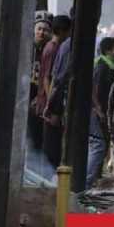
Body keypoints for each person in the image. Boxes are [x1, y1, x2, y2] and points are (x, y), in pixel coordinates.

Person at [87, 37, 114, 188]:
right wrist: (99, 109)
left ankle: (94, 179)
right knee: (99, 144)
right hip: (97, 111)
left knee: (102, 144)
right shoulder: (102, 66)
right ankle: (88, 181)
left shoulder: (109, 66)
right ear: (108, 50)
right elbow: (94, 89)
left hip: (102, 111)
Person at [42, 15, 73, 170]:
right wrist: (51, 104)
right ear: (62, 31)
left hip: (53, 100)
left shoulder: (56, 46)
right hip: (53, 101)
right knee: (52, 145)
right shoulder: (55, 48)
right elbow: (50, 78)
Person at [28, 12, 53, 170]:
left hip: (41, 99)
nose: (41, 33)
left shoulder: (49, 50)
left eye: (45, 29)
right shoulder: (27, 48)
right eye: (39, 29)